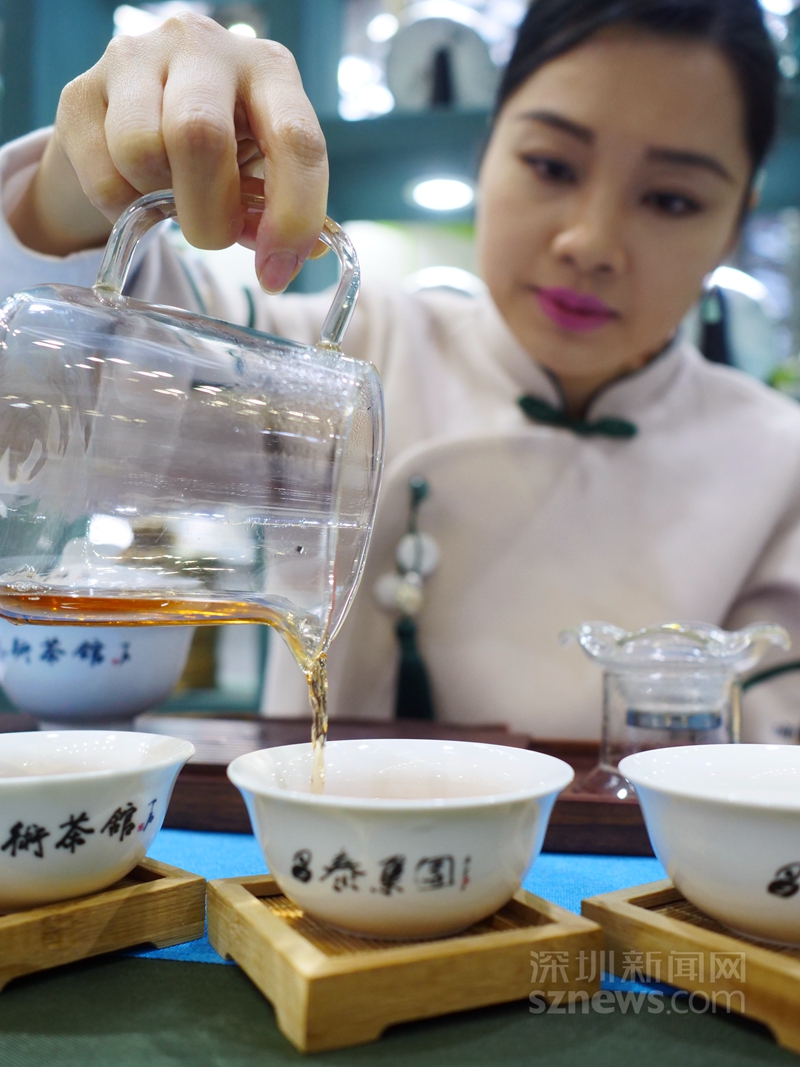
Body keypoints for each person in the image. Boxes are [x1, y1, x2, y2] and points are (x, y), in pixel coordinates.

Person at [1, 0, 799, 742]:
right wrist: (68, 202)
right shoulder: (345, 351)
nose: (590, 244)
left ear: (737, 221)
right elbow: (86, 371)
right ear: (487, 151)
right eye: (553, 166)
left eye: (672, 200)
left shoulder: (776, 462)